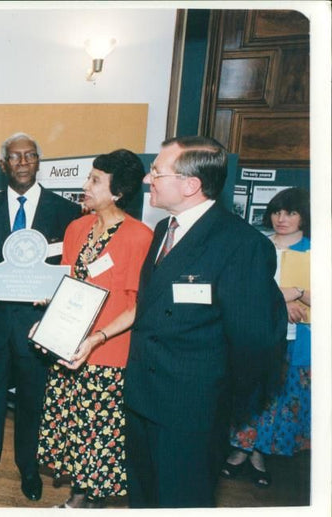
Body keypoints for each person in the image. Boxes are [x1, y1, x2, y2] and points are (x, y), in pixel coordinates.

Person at [124, 136, 287, 508]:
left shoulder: (240, 244)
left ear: (190, 184)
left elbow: (256, 338)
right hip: (142, 399)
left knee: (182, 501)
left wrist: (227, 401)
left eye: (156, 172)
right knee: (144, 498)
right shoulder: (166, 230)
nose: (148, 180)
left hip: (191, 410)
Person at [0, 133, 80, 501]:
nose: (23, 161)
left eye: (30, 155)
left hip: (38, 320)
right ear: (4, 165)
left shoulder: (65, 211)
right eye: (15, 157)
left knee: (34, 396)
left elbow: (70, 267)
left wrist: (56, 293)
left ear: (38, 162)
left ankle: (29, 467)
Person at [35, 149, 152, 508]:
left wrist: (97, 337)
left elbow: (136, 305)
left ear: (117, 192)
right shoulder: (76, 228)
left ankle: (85, 501)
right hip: (68, 348)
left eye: (95, 180)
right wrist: (47, 321)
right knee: (72, 429)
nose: (85, 186)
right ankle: (80, 496)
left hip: (106, 353)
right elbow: (67, 285)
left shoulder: (139, 236)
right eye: (89, 177)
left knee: (97, 434)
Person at [221, 187, 311, 487]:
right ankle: (240, 451)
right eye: (276, 211)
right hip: (258, 333)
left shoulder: (316, 250)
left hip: (298, 339)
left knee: (281, 397)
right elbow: (244, 291)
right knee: (252, 390)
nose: (281, 218)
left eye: (291, 212)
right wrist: (283, 299)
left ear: (304, 216)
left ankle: (260, 453)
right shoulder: (257, 244)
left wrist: (297, 294)